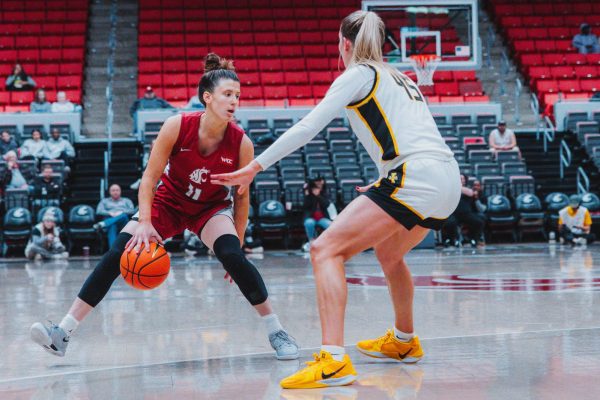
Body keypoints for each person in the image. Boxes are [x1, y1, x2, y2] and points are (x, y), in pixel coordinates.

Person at [211, 11, 460, 389]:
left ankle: (333, 361)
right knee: (389, 254)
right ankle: (405, 343)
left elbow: (308, 126)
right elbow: (412, 133)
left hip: (415, 176)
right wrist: (382, 180)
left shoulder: (357, 74)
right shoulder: (402, 76)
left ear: (344, 44)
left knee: (324, 249)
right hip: (446, 178)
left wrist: (255, 167)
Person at [30, 53, 298, 361]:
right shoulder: (176, 126)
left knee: (232, 257)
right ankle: (62, 332)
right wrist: (145, 221)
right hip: (169, 201)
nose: (234, 101)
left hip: (209, 208)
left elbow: (241, 197)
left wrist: (237, 240)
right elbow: (149, 178)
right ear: (207, 98)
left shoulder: (241, 143)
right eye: (227, 94)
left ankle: (276, 330)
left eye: (237, 95)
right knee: (119, 252)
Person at [442, 174, 485, 248]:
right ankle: (451, 240)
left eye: (462, 178)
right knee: (449, 223)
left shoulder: (468, 189)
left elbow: (470, 193)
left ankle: (472, 238)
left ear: (465, 180)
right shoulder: (451, 189)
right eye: (459, 178)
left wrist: (458, 187)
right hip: (454, 213)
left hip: (466, 214)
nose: (461, 180)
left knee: (479, 222)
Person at [302, 177, 335, 252]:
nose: (316, 190)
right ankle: (311, 240)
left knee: (330, 225)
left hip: (322, 218)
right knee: (308, 223)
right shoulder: (309, 195)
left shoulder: (324, 194)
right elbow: (305, 206)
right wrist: (307, 195)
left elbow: (326, 204)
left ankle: (328, 243)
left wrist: (318, 196)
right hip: (311, 217)